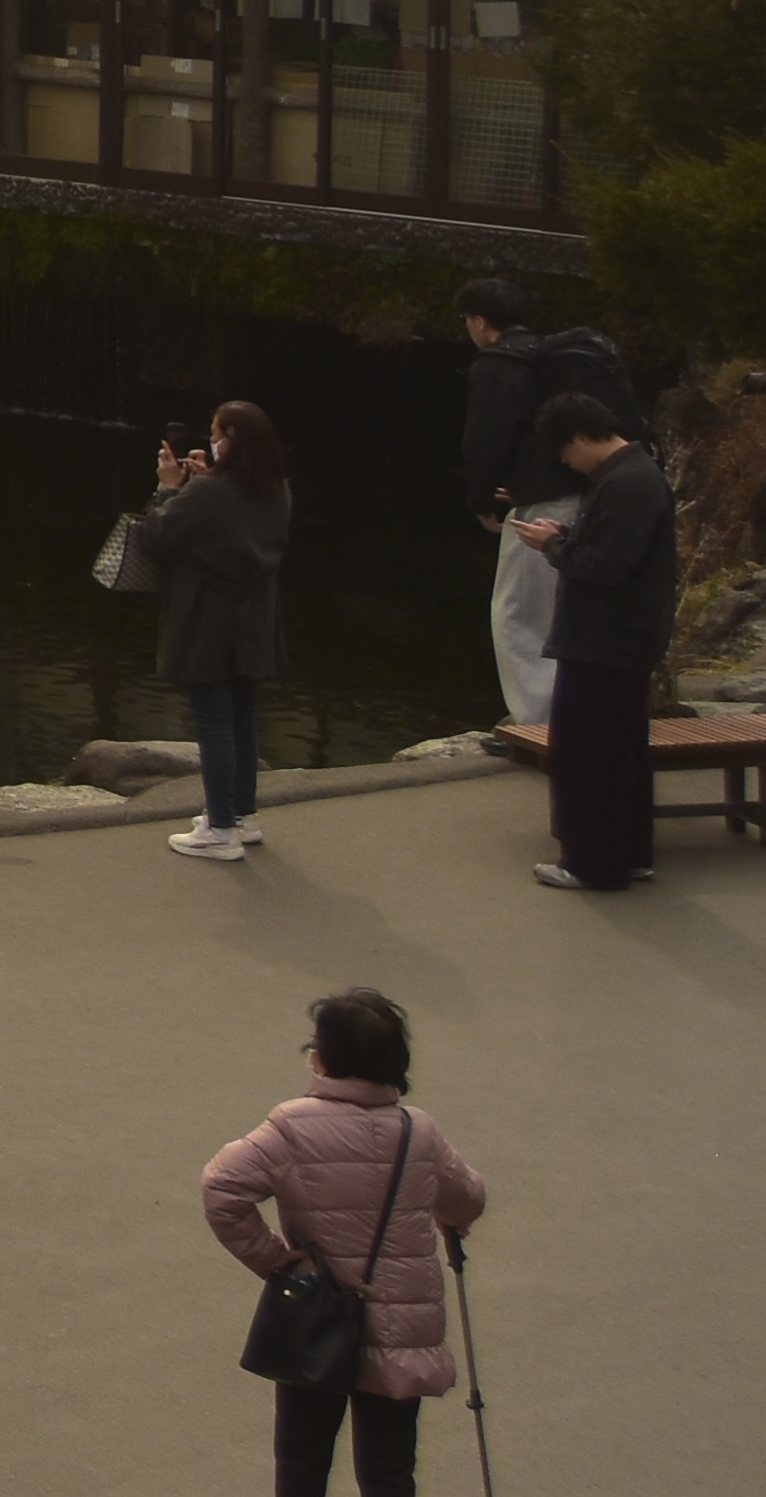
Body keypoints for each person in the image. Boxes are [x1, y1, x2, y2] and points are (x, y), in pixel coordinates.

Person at [200, 988, 493, 1497]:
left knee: (302, 1464)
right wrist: (449, 1216)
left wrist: (275, 1259)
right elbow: (467, 1198)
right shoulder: (419, 1131)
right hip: (402, 1329)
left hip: (316, 1315)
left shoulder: (292, 1126)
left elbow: (222, 1189)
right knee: (389, 1473)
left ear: (323, 1059)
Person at [509, 389, 677, 891]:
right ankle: (630, 854)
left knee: (590, 754)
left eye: (565, 453)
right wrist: (567, 534)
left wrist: (553, 544)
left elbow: (606, 567)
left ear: (582, 437)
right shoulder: (636, 475)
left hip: (604, 639)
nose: (567, 464)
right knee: (623, 752)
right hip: (626, 637)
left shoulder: (624, 483)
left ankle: (592, 862)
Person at [453, 281, 634, 727]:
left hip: (543, 504)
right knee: (562, 607)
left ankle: (535, 719)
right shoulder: (550, 357)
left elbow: (485, 439)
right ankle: (568, 707)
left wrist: (481, 500)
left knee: (515, 610)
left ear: (480, 321)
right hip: (587, 492)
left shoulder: (498, 364)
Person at [142, 400, 296, 863]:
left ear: (229, 440)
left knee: (213, 723)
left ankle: (220, 829)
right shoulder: (278, 489)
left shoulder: (208, 494)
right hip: (256, 618)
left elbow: (157, 537)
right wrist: (205, 481)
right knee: (242, 720)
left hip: (209, 619)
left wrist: (168, 488)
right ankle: (241, 815)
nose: (209, 440)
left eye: (214, 432)